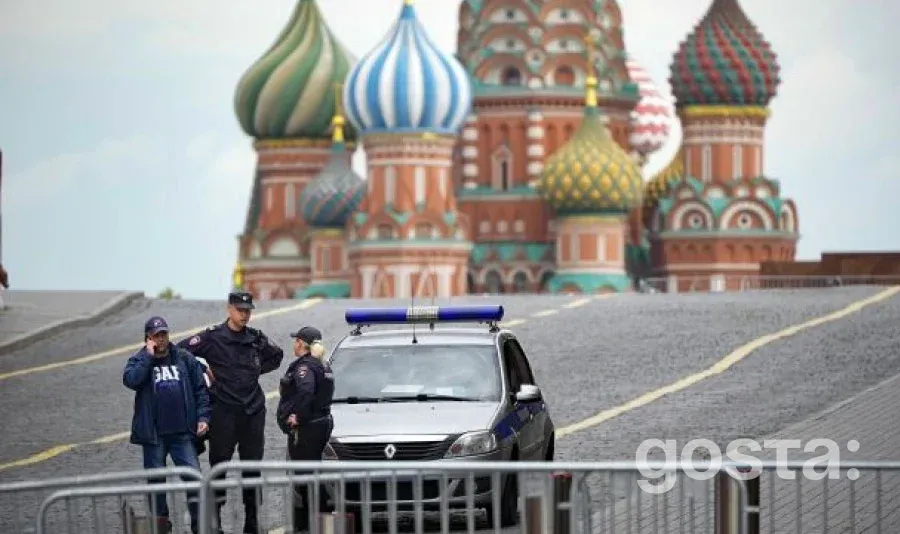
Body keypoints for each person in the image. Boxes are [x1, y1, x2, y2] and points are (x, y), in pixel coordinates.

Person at [176, 291, 284, 533]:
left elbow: (276, 356)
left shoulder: (256, 339)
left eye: (247, 310)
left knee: (253, 467)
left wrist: (254, 371)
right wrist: (204, 373)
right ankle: (215, 523)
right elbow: (181, 352)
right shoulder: (212, 337)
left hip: (252, 410)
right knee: (219, 466)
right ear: (229, 310)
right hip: (223, 410)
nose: (244, 315)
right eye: (240, 310)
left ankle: (252, 522)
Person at [123, 316, 211, 534]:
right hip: (154, 436)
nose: (161, 339)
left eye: (164, 334)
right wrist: (148, 357)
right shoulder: (139, 360)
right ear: (148, 339)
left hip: (182, 434)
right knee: (156, 486)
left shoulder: (184, 358)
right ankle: (161, 527)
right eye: (156, 336)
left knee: (194, 481)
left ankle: (199, 527)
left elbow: (201, 389)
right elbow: (131, 380)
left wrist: (203, 418)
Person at [276, 326, 335, 532]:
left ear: (301, 343)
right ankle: (318, 523)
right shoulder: (323, 364)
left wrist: (297, 417)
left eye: (296, 341)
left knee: (306, 478)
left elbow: (306, 391)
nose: (294, 344)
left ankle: (315, 525)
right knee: (311, 475)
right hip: (320, 423)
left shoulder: (306, 367)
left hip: (308, 429)